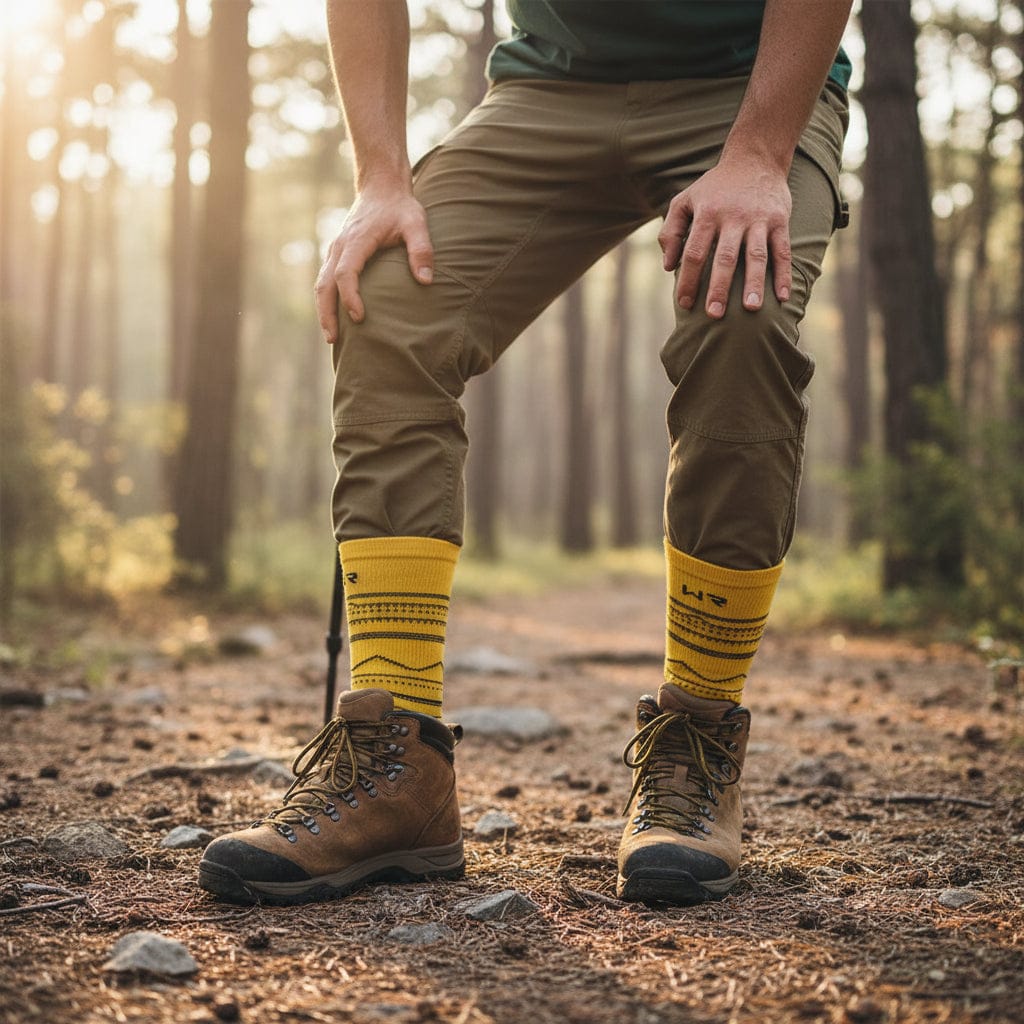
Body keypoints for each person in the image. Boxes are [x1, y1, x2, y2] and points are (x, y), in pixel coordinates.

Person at [199, 0, 853, 906]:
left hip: (750, 89)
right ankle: (398, 767)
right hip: (551, 86)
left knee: (741, 308)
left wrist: (761, 152)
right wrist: (381, 177)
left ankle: (696, 746)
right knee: (386, 300)